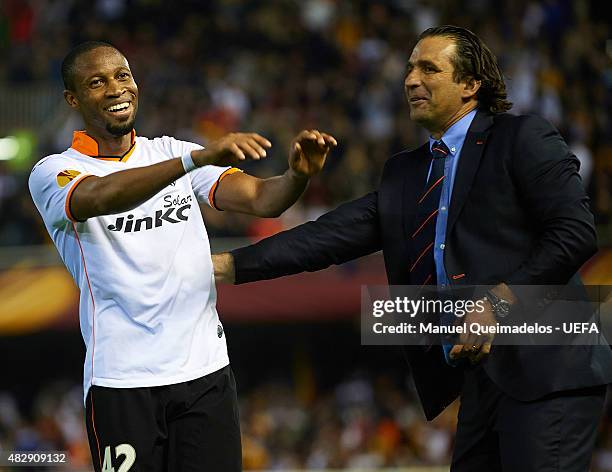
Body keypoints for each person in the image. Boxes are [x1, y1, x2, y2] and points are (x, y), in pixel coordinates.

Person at [214, 26, 612, 471]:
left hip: (550, 368)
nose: (410, 79)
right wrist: (229, 265)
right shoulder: (407, 173)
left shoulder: (521, 138)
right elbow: (327, 237)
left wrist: (499, 303)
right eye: (408, 69)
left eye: (428, 68)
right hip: (482, 378)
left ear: (469, 84)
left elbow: (575, 233)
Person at [28, 41, 336, 472]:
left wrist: (297, 177)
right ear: (73, 99)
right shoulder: (54, 171)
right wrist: (196, 158)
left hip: (205, 375)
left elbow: (263, 199)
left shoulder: (171, 152)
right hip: (122, 382)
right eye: (97, 82)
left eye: (122, 75)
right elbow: (99, 196)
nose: (116, 88)